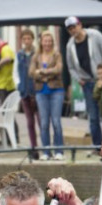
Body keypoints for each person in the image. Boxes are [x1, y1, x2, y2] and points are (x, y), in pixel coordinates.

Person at [65, 16, 102, 151]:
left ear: (80, 25)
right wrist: (78, 79)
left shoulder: (95, 36)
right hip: (87, 83)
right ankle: (98, 147)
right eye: (69, 29)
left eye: (74, 26)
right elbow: (70, 67)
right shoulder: (70, 45)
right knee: (93, 116)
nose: (73, 30)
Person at [30, 31, 65, 161]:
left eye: (50, 41)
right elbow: (31, 72)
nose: (47, 43)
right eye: (45, 41)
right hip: (41, 92)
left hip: (56, 90)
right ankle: (45, 151)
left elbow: (59, 69)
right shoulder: (36, 56)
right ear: (41, 42)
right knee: (44, 123)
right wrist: (45, 74)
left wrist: (43, 72)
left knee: (56, 121)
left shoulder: (57, 55)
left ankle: (59, 151)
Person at [17, 29, 39, 156]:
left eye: (28, 38)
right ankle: (33, 148)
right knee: (30, 123)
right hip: (24, 91)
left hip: (36, 91)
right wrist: (19, 86)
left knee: (42, 122)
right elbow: (16, 72)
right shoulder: (19, 54)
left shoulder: (37, 53)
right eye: (24, 39)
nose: (26, 41)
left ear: (32, 39)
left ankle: (45, 149)